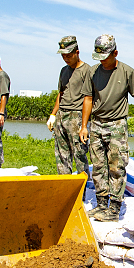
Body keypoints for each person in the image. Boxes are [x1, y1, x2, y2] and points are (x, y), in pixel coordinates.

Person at [80, 35, 134, 222]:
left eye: (106, 56)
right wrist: (84, 126)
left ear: (115, 53)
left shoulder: (127, 71)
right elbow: (88, 99)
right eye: (99, 56)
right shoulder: (93, 72)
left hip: (117, 125)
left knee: (116, 167)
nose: (102, 60)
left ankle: (114, 208)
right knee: (98, 167)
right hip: (96, 123)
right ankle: (101, 204)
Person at [48, 36, 92, 183]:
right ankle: (64, 187)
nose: (66, 58)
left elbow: (90, 98)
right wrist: (53, 114)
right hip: (62, 115)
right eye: (63, 56)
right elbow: (61, 93)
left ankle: (82, 191)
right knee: (61, 155)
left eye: (68, 55)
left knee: (79, 154)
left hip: (77, 116)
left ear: (77, 52)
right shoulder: (64, 71)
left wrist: (85, 124)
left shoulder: (88, 71)